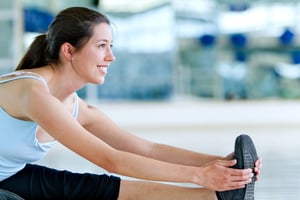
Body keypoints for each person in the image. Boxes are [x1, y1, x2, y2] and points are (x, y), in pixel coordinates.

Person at [0, 7, 262, 200]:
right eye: (102, 45)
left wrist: (222, 164)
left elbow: (145, 149)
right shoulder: (33, 92)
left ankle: (217, 197)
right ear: (68, 51)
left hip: (9, 174)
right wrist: (198, 175)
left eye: (111, 45)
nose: (111, 56)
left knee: (98, 189)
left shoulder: (79, 108)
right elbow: (110, 159)